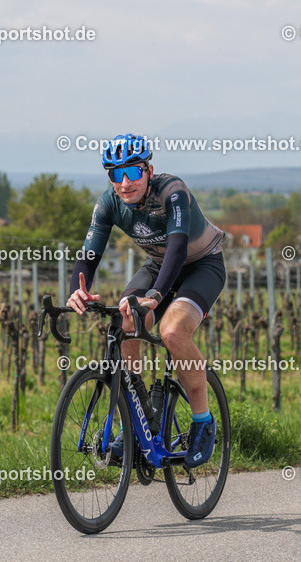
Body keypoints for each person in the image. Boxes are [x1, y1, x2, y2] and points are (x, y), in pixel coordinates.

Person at [67, 134, 226, 467]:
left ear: (149, 170)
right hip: (158, 266)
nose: (125, 183)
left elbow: (178, 248)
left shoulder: (172, 191)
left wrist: (156, 295)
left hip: (201, 266)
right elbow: (89, 255)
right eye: (116, 174)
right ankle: (138, 419)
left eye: (133, 172)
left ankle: (203, 422)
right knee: (125, 322)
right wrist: (76, 289)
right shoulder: (109, 202)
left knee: (173, 332)